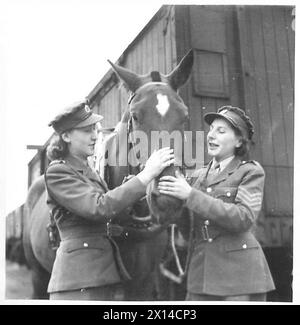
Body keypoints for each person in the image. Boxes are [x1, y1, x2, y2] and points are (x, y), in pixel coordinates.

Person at [45, 98, 174, 300]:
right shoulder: (58, 172)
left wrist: (141, 192)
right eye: (87, 131)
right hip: (78, 282)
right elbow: (99, 207)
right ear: (66, 136)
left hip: (101, 277)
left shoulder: (87, 171)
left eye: (95, 130)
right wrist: (145, 176)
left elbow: (113, 218)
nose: (95, 136)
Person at [158, 105, 275, 301]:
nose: (211, 135)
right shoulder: (197, 175)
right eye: (211, 129)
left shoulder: (250, 172)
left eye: (221, 131)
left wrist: (190, 196)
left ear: (239, 141)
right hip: (201, 274)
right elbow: (177, 214)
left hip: (239, 276)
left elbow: (244, 218)